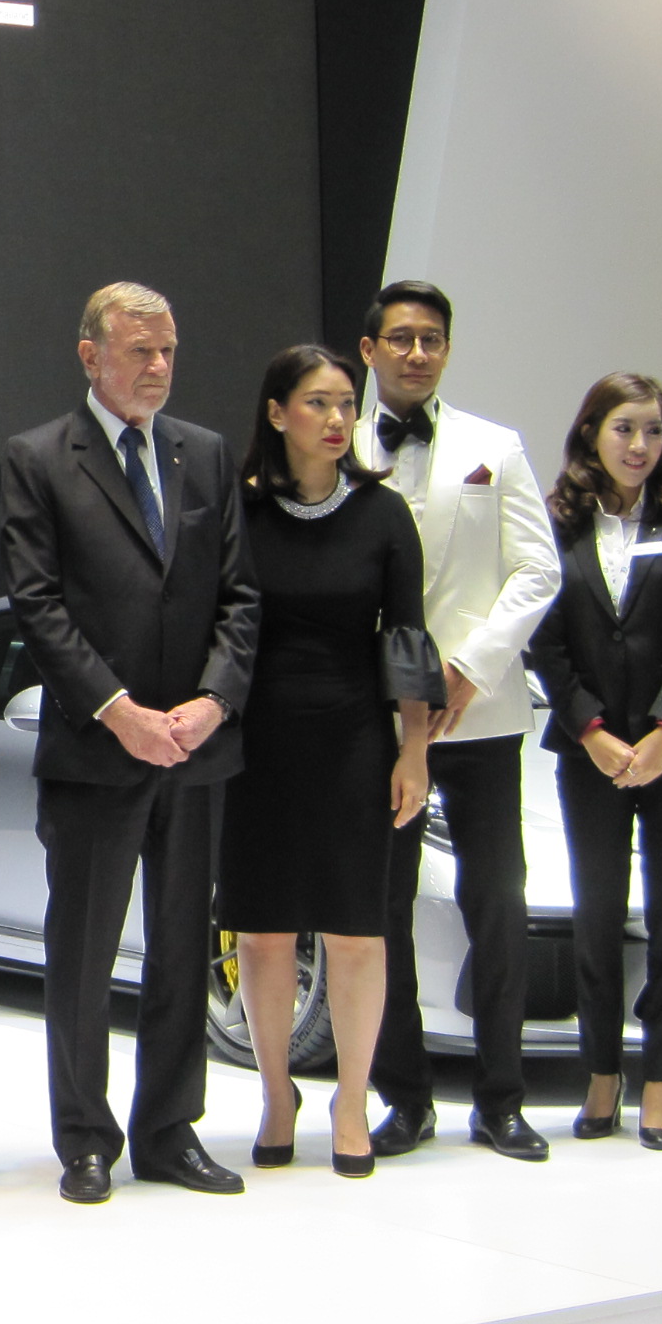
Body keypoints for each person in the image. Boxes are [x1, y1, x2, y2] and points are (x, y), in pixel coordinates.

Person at [1, 281, 259, 1205]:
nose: (158, 366)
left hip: (195, 747)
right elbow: (38, 606)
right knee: (82, 952)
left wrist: (213, 703)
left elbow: (240, 595)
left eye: (168, 351)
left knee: (184, 946)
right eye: (139, 350)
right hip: (97, 750)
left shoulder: (206, 453)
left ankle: (170, 1131)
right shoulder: (39, 457)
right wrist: (120, 712)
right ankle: (85, 1139)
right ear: (90, 356)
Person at [352, 279, 562, 1163]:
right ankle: (403, 1098)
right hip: (373, 719)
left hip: (480, 716)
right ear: (369, 350)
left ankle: (502, 1099)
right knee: (382, 911)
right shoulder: (337, 443)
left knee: (498, 906)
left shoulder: (494, 446)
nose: (417, 353)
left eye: (432, 338)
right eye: (401, 338)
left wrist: (470, 667)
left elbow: (538, 570)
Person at [220, 346, 442, 1179]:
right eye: (318, 403)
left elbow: (407, 638)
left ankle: (352, 1100)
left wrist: (414, 750)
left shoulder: (383, 513)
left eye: (347, 402)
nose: (339, 418)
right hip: (258, 743)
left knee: (357, 931)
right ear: (277, 414)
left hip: (355, 739)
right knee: (264, 930)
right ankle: (277, 1094)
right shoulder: (240, 510)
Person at [527, 374, 662, 1153]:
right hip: (592, 752)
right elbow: (545, 640)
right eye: (624, 429)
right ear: (591, 433)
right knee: (597, 918)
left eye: (653, 430)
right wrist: (591, 731)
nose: (640, 445)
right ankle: (602, 1071)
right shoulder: (557, 522)